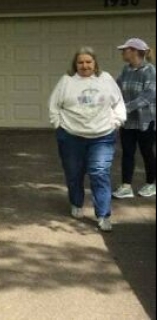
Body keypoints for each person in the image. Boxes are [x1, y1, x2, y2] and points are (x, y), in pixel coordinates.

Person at [49, 47, 127, 230]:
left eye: (88, 62)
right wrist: (57, 124)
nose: (85, 65)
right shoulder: (67, 81)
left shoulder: (105, 79)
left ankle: (103, 215)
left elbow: (118, 102)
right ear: (75, 65)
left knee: (99, 173)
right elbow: (54, 105)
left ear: (95, 63)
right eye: (81, 62)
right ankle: (76, 203)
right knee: (74, 174)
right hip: (71, 136)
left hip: (102, 137)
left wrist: (117, 121)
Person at [113, 37, 156, 200]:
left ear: (134, 52)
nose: (122, 53)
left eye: (125, 50)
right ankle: (126, 187)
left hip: (146, 121)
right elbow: (116, 88)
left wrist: (125, 108)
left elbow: (149, 96)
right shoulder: (126, 70)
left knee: (147, 153)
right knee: (127, 153)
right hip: (128, 121)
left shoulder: (150, 70)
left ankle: (151, 184)